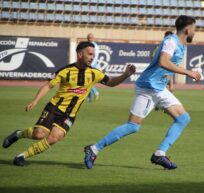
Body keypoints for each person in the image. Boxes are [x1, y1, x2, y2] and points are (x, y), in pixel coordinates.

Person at [84, 15, 201, 170]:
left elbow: (164, 69)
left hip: (159, 89)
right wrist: (188, 72)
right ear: (187, 29)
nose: (195, 32)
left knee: (183, 118)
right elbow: (163, 62)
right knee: (133, 126)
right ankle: (94, 149)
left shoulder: (182, 45)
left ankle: (160, 153)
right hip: (148, 87)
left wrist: (165, 88)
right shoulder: (171, 41)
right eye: (194, 29)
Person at [2, 42, 136, 166]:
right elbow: (48, 86)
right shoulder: (66, 71)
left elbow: (111, 82)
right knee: (39, 135)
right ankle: (18, 134)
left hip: (70, 114)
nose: (92, 57)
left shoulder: (95, 73)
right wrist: (35, 100)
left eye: (93, 55)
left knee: (54, 138)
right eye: (89, 54)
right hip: (54, 108)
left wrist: (125, 75)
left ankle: (22, 156)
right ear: (80, 54)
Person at [87, 33, 100, 102]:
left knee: (87, 81)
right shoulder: (86, 45)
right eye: (88, 38)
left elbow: (95, 56)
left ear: (93, 38)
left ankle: (95, 92)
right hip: (88, 64)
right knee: (87, 81)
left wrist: (91, 64)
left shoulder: (95, 46)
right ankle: (89, 98)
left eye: (91, 38)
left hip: (92, 65)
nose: (89, 39)